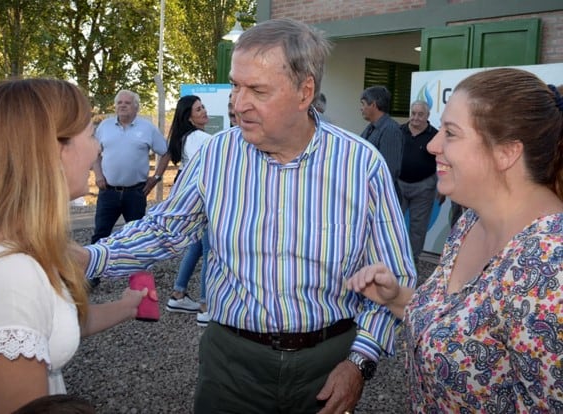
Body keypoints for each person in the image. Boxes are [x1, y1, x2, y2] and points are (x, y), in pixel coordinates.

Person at [78, 18, 416, 413]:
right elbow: (164, 229)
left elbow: (397, 275)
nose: (238, 104)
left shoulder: (361, 166)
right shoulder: (216, 156)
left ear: (305, 91)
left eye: (257, 90)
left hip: (327, 365)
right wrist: (90, 257)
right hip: (230, 366)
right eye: (236, 86)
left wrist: (360, 362)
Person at [347, 68, 563, 412]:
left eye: (451, 133)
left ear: (506, 152)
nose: (432, 145)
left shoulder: (551, 271)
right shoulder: (471, 223)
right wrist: (398, 298)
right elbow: (465, 326)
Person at [0, 78, 149, 413]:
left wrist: (126, 307)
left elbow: (45, 324)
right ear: (54, 147)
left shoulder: (16, 246)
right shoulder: (5, 276)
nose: (98, 149)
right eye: (91, 134)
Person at [89, 89, 167, 287]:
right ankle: (92, 276)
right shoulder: (105, 127)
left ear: (136, 107)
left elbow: (166, 152)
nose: (122, 105)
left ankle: (139, 281)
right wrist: (97, 175)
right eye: (119, 103)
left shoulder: (147, 128)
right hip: (109, 192)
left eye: (127, 102)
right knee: (100, 234)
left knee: (138, 238)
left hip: (136, 192)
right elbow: (94, 154)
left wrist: (156, 178)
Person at [146, 95, 213, 326]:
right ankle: (205, 306)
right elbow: (208, 170)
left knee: (195, 247)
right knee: (209, 249)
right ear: (189, 117)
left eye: (203, 107)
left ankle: (178, 294)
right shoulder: (200, 138)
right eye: (198, 109)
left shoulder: (186, 138)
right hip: (203, 198)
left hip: (192, 198)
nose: (204, 111)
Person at [397, 100, 438, 262]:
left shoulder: (435, 135)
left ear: (427, 116)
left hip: (424, 187)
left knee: (418, 227)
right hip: (398, 185)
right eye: (413, 113)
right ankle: (394, 259)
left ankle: (411, 261)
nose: (416, 117)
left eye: (420, 114)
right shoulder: (399, 131)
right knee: (394, 224)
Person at [360, 85, 403, 189]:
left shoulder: (390, 130)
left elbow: (388, 170)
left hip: (379, 195)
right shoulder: (371, 127)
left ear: (373, 105)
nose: (360, 108)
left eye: (363, 104)